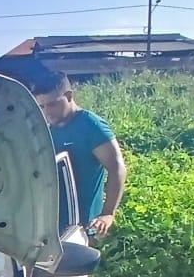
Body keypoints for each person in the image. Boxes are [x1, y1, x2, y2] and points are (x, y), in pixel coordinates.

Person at [32, 72, 126, 238]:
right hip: (52, 226)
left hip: (82, 228)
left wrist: (108, 213)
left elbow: (116, 167)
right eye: (42, 106)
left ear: (69, 96)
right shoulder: (49, 130)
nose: (47, 111)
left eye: (52, 104)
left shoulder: (90, 125)